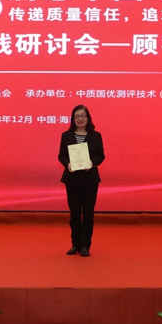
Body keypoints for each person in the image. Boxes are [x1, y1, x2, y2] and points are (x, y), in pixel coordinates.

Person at [58, 105, 105, 257]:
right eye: (77, 116)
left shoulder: (96, 136)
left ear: (88, 118)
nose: (80, 119)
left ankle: (85, 245)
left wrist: (91, 162)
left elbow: (100, 156)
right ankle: (75, 244)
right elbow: (62, 155)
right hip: (72, 179)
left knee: (88, 213)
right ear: (72, 119)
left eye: (83, 116)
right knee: (74, 213)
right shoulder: (66, 135)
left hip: (90, 180)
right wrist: (68, 164)